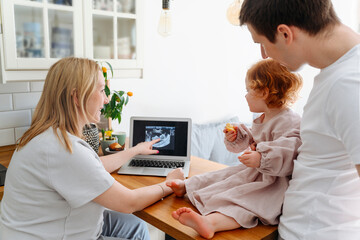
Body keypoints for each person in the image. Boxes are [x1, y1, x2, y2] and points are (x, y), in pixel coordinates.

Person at [0, 57, 184, 240]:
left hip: (37, 228)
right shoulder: (63, 149)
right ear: (77, 97)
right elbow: (129, 202)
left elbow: (92, 166)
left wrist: (134, 150)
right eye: (102, 90)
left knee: (134, 225)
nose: (106, 99)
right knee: (132, 218)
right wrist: (169, 184)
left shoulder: (47, 136)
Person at [239, 0, 360, 239]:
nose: (263, 55)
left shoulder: (349, 84)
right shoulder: (335, 74)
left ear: (285, 33)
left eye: (262, 43)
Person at [166, 59, 303, 239]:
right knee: (220, 176)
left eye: (248, 90)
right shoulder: (263, 117)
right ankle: (187, 187)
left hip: (272, 183)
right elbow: (253, 140)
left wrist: (261, 159)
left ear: (264, 92)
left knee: (246, 203)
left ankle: (211, 223)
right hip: (255, 172)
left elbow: (289, 151)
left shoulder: (289, 120)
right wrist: (238, 137)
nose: (245, 95)